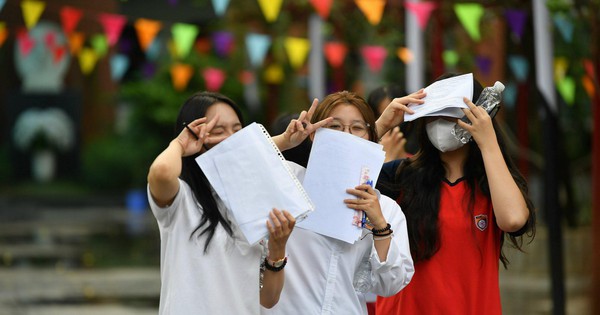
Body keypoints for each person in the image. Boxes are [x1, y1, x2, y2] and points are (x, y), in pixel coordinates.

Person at [374, 74, 536, 315]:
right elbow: (335, 186)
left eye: (451, 112)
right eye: (435, 113)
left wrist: (487, 140)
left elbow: (513, 219)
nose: (441, 122)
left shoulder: (491, 181)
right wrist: (379, 126)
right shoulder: (399, 176)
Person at [147, 91, 299, 314]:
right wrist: (179, 144)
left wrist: (277, 250)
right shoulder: (182, 199)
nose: (232, 139)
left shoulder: (253, 201)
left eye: (238, 131)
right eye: (218, 131)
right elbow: (160, 173)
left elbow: (268, 298)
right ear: (194, 135)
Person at [265, 91, 415, 315]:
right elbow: (229, 165)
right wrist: (285, 142)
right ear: (315, 134)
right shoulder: (289, 182)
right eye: (335, 127)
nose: (346, 135)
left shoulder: (385, 208)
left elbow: (391, 284)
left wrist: (380, 228)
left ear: (370, 136)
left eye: (357, 128)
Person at [367, 84, 413, 162]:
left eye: (394, 116)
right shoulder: (363, 158)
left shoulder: (420, 161)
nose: (387, 124)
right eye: (379, 117)